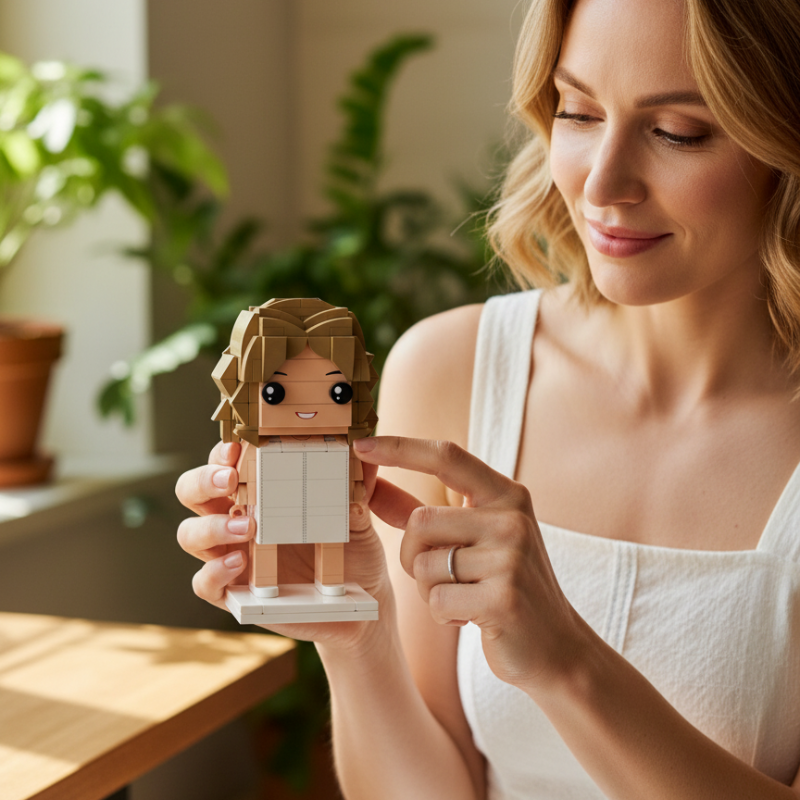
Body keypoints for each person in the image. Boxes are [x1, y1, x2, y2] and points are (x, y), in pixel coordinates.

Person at [175, 0, 800, 796]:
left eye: (677, 131)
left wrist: (567, 662)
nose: (602, 183)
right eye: (577, 111)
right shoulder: (452, 370)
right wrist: (353, 635)